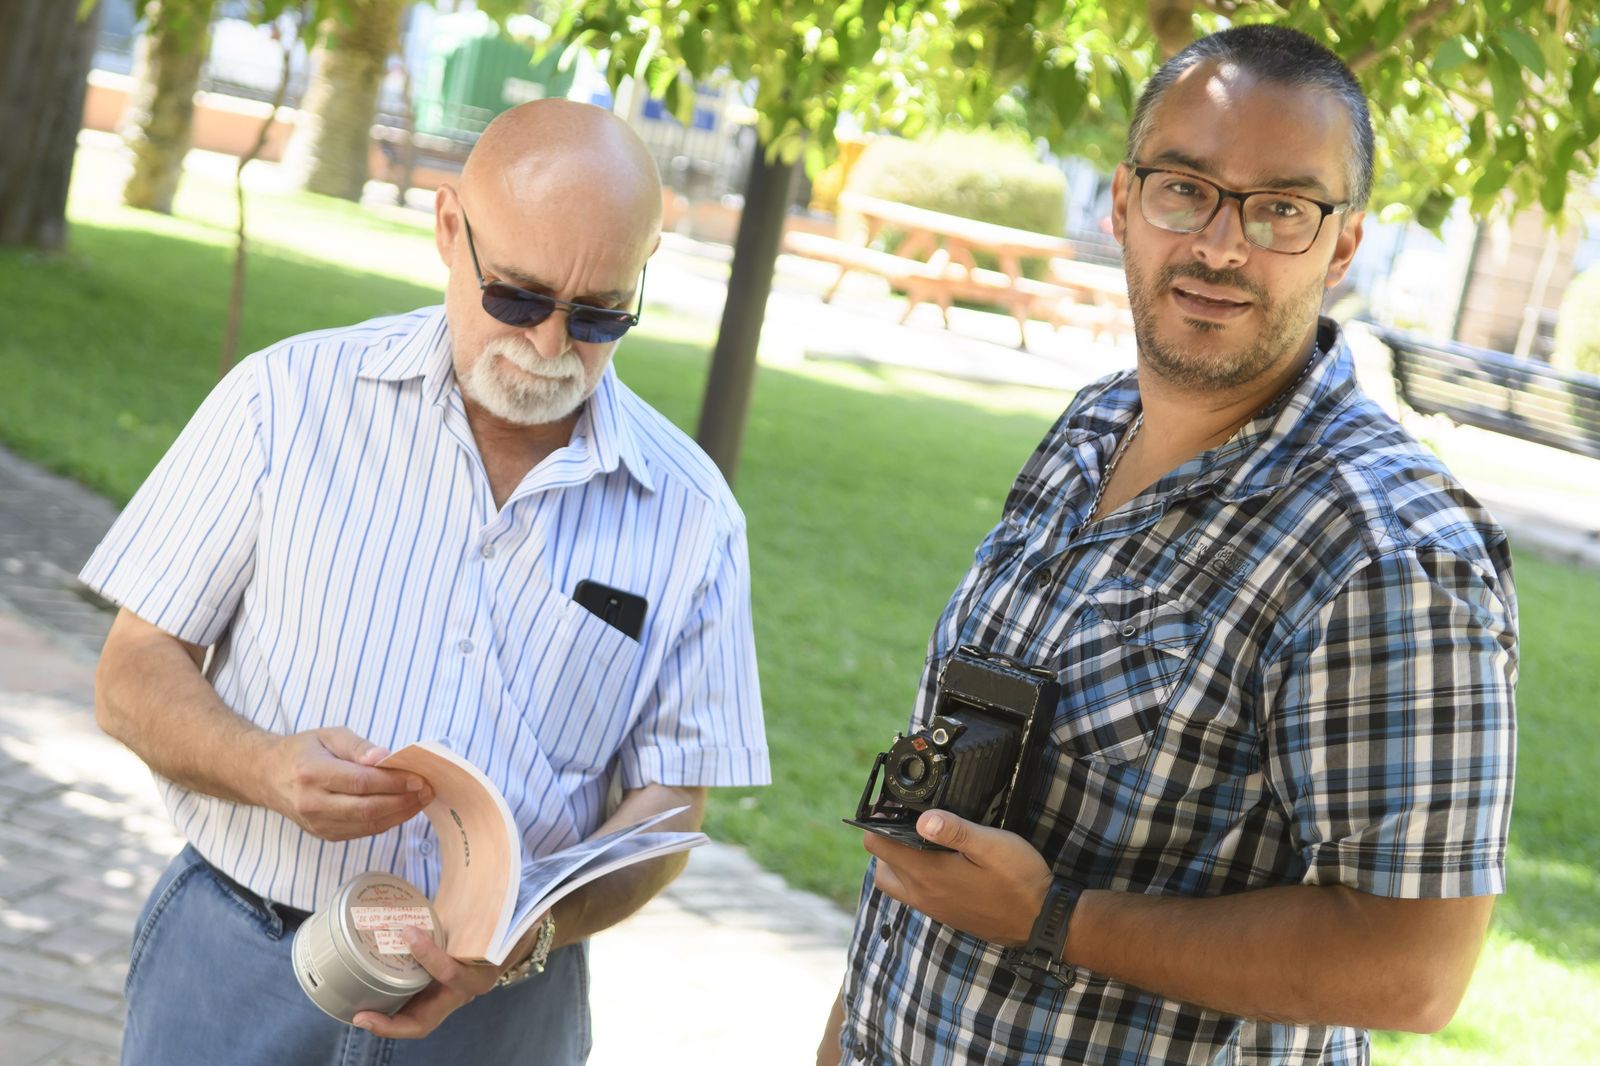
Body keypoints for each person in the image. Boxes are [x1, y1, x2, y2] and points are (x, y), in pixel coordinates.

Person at [822, 25, 1516, 1066]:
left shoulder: (1388, 549)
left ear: (1341, 245)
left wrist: (1054, 915)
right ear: (1122, 201)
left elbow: (1413, 964)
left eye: (1281, 208)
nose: (1220, 245)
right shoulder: (1094, 425)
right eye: (1184, 188)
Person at [82, 99, 768, 1065]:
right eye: (520, 298)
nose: (548, 347)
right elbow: (131, 673)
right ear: (449, 230)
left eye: (602, 315)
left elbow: (669, 813)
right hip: (239, 960)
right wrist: (265, 768)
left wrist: (524, 936)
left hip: (504, 1011)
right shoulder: (284, 401)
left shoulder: (694, 513)